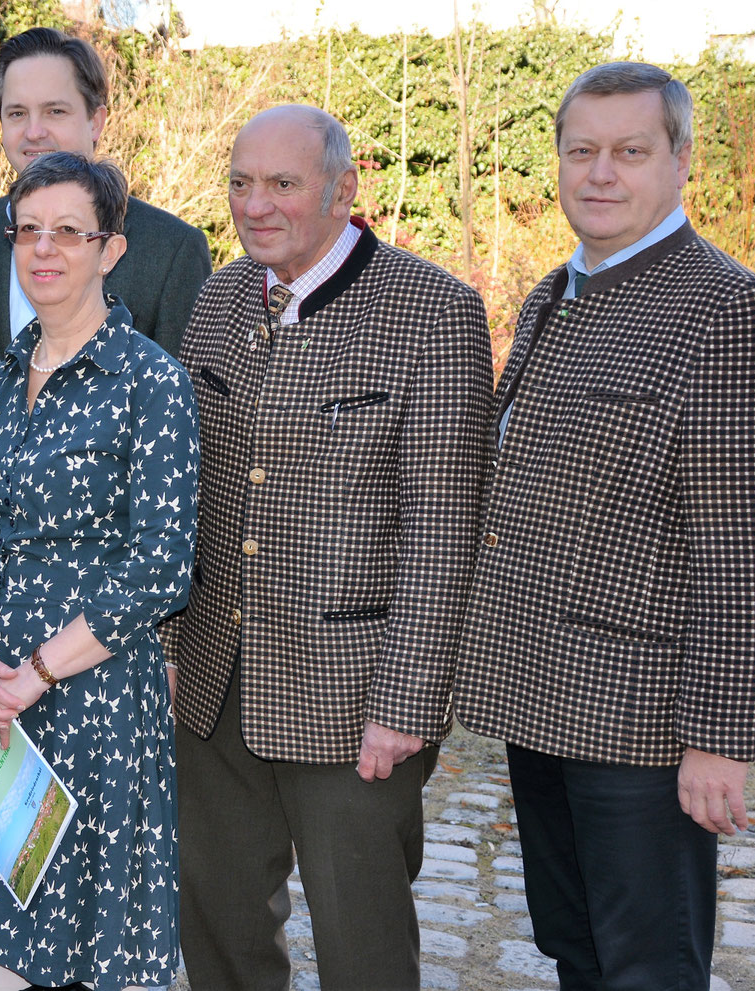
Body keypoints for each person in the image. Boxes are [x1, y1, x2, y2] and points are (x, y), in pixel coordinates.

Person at [457, 63, 755, 991]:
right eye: (582, 151)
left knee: (648, 967)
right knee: (576, 950)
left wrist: (719, 738)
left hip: (646, 726)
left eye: (630, 151)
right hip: (541, 702)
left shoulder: (734, 313)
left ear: (681, 158)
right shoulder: (551, 297)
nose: (601, 173)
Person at [169, 106, 493, 991]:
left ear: (345, 189)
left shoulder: (434, 311)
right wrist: (166, 645)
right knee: (219, 928)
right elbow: (188, 488)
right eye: (240, 182)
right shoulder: (221, 297)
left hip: (352, 697)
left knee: (363, 946)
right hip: (212, 682)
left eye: (282, 183)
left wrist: (407, 700)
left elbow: (444, 525)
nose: (254, 204)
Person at [0, 152, 198, 991]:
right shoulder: (2, 381)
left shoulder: (151, 381)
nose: (45, 249)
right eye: (28, 230)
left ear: (111, 249)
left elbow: (160, 568)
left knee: (72, 952)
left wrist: (34, 673)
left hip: (88, 705)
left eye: (69, 232)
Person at [0, 28, 210, 358]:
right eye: (17, 113)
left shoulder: (172, 251)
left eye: (55, 111)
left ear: (96, 122)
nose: (33, 132)